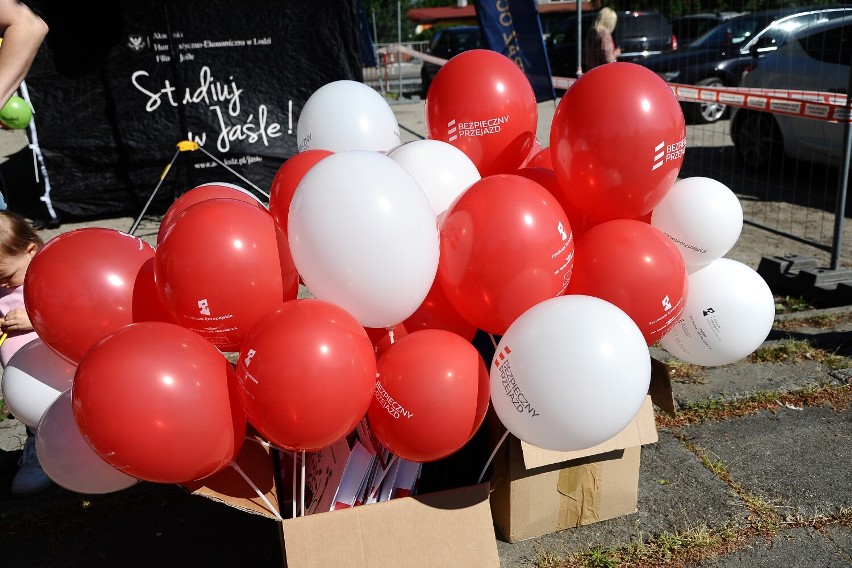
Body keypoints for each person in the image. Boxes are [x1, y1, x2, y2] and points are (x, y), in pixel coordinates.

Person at [0, 209, 52, 497]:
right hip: (23, 378)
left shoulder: (47, 276)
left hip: (57, 373)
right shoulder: (1, 284)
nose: (4, 285)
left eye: (7, 276)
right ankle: (39, 447)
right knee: (34, 415)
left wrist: (35, 320)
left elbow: (71, 315)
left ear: (31, 251)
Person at [583, 7, 621, 72]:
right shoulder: (605, 34)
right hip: (603, 72)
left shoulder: (591, 32)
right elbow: (608, 59)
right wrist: (616, 53)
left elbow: (585, 56)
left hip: (591, 71)